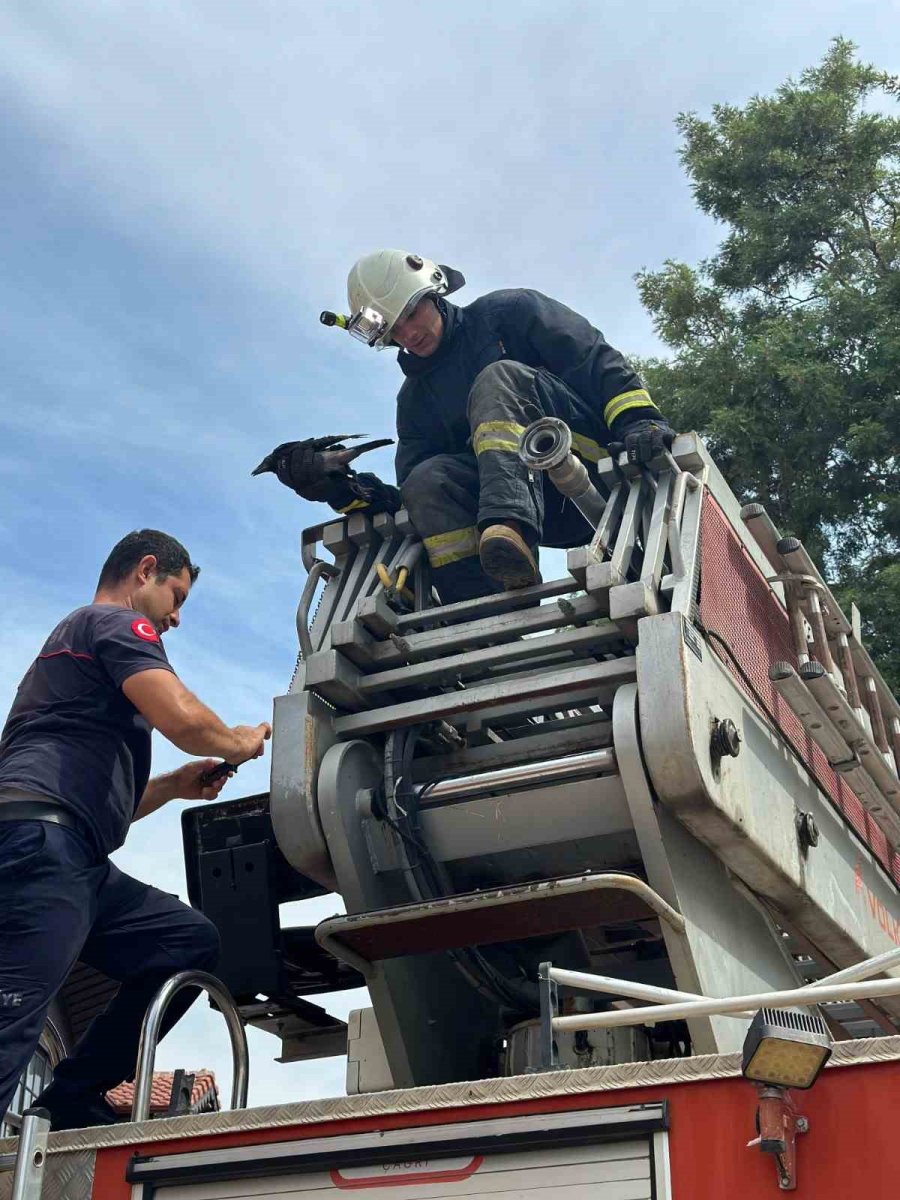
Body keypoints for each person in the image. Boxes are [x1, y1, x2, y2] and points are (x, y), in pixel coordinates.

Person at [0, 529, 271, 1131]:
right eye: (174, 596)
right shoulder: (113, 624)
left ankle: (71, 1096)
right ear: (145, 571)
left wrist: (175, 785)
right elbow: (184, 719)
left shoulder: (79, 659)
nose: (174, 618)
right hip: (41, 849)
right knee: (11, 1024)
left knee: (185, 940)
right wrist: (241, 743)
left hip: (72, 852)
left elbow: (104, 810)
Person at [257, 249, 674, 603]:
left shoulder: (510, 314)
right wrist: (345, 491)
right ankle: (485, 615)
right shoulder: (416, 401)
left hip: (593, 468)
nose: (409, 333)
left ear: (432, 293)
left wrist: (641, 421)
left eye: (411, 313)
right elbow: (414, 499)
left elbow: (596, 362)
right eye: (393, 328)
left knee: (498, 379)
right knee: (427, 479)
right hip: (548, 521)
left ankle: (508, 526)